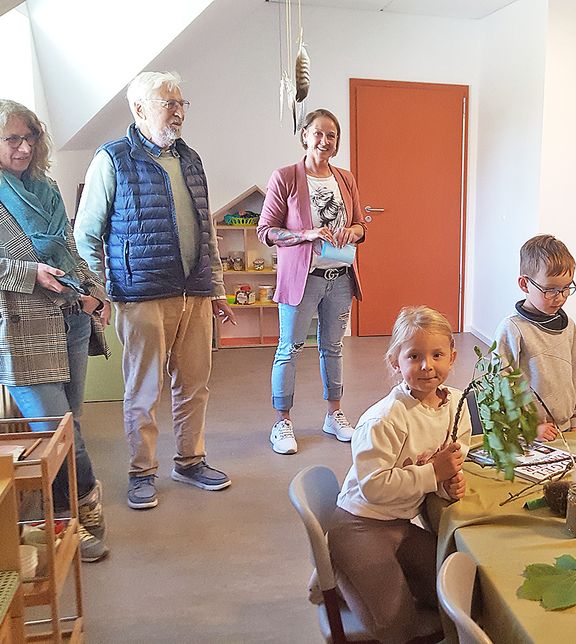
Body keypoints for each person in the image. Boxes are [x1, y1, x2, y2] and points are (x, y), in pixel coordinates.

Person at [74, 71, 235, 510]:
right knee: (144, 390)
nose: (178, 111)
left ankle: (190, 461)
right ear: (140, 109)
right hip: (140, 293)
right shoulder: (112, 159)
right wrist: (96, 292)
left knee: (195, 384)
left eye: (181, 102)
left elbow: (208, 230)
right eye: (169, 103)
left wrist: (216, 288)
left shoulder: (192, 159)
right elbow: (86, 234)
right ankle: (142, 471)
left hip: (195, 293)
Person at [0, 100, 110, 561]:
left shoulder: (45, 188)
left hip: (71, 319)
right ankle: (73, 512)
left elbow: (69, 248)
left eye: (30, 138)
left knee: (71, 425)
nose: (24, 148)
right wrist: (30, 274)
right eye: (12, 139)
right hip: (25, 331)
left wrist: (94, 291)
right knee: (56, 432)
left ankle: (76, 509)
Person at [327, 306, 470, 643]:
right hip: (360, 524)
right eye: (414, 356)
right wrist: (434, 473)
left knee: (459, 597)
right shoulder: (383, 419)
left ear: (452, 357)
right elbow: (375, 487)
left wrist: (449, 483)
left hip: (401, 524)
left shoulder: (457, 405)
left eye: (437, 355)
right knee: (396, 627)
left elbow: (452, 462)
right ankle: (339, 571)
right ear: (396, 361)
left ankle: (371, 578)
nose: (427, 366)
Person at [257, 108, 366, 455]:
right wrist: (305, 234)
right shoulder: (286, 176)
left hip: (340, 277)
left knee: (333, 348)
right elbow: (266, 231)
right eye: (317, 133)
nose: (324, 140)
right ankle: (282, 422)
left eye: (331, 135)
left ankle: (334, 414)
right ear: (304, 135)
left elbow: (362, 225)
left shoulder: (345, 178)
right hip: (302, 280)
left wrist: (353, 230)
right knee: (290, 348)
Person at [494, 234, 576, 439]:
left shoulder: (569, 326)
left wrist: (574, 420)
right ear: (524, 284)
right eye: (550, 290)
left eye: (566, 288)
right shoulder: (512, 328)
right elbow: (500, 386)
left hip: (565, 430)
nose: (560, 297)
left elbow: (573, 376)